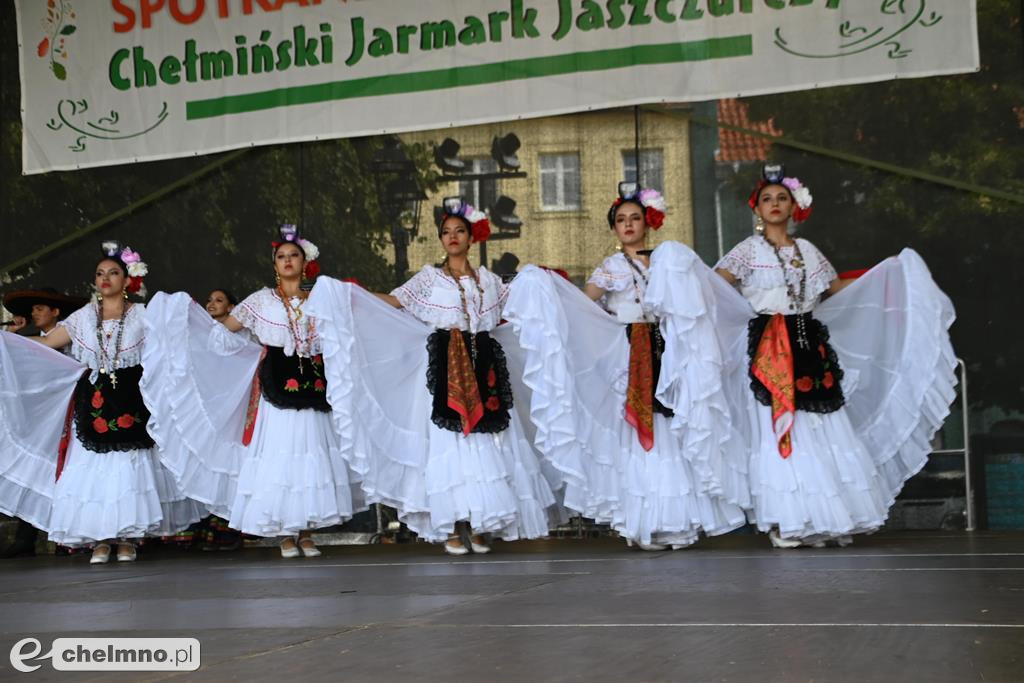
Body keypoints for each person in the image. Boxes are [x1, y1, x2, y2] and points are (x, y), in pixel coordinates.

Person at [714, 164, 958, 547]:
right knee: (780, 427)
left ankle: (821, 517)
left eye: (782, 198)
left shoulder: (807, 251)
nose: (775, 204)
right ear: (756, 209)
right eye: (767, 199)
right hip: (769, 346)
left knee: (821, 427)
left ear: (794, 206)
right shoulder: (746, 252)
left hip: (809, 342)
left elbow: (835, 287)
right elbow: (717, 287)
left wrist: (888, 274)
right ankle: (785, 519)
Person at [499, 183, 748, 550]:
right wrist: (554, 298)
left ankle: (677, 519)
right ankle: (642, 521)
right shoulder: (611, 268)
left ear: (649, 222)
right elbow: (585, 307)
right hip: (630, 352)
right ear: (614, 228)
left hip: (666, 349)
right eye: (621, 220)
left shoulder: (667, 261)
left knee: (672, 426)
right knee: (637, 431)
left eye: (634, 218)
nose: (628, 225)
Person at [308, 198, 556, 555]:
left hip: (483, 364)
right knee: (450, 443)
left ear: (472, 237)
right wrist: (351, 296)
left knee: (489, 441)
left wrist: (541, 286)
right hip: (444, 366)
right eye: (446, 232)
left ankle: (481, 522)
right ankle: (454, 526)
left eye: (459, 231)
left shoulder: (488, 281)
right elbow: (392, 303)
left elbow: (515, 311)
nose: (452, 237)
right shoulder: (429, 279)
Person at [145, 227, 361, 558]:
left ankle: (304, 532)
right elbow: (222, 333)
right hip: (276, 387)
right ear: (274, 265)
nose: (287, 261)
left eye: (293, 256)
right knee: (281, 454)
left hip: (314, 387)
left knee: (312, 452)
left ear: (306, 263)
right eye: (281, 257)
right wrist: (194, 322)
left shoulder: (318, 301)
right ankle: (285, 533)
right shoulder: (260, 301)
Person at [0, 243, 205, 563]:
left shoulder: (141, 314)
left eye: (113, 273)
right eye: (100, 274)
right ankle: (101, 538)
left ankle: (127, 538)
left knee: (130, 467)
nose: (105, 278)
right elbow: (47, 344)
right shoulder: (83, 317)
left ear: (127, 280)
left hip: (131, 398)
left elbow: (170, 342)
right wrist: (9, 339)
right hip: (95, 400)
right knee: (94, 468)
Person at [0, 287, 86, 558]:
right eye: (33, 310)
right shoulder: (35, 339)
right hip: (47, 416)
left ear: (56, 312)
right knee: (40, 471)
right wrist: (12, 335)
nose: (34, 313)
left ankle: (70, 538)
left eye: (39, 308)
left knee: (68, 473)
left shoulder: (71, 335)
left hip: (72, 413)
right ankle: (30, 537)